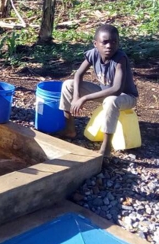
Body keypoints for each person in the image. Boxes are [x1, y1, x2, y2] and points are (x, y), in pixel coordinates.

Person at [59, 24, 138, 158]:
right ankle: (69, 130)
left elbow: (117, 89)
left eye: (114, 42)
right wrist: (76, 97)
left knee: (111, 101)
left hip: (126, 97)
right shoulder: (93, 54)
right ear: (96, 44)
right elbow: (78, 74)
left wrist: (84, 98)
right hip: (104, 92)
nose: (109, 46)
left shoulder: (120, 59)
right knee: (68, 85)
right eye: (105, 42)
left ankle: (105, 148)